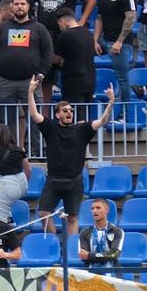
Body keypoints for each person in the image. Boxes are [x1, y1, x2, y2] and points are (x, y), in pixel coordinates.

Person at [30, 79, 115, 231]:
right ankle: (54, 242)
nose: (69, 112)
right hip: (54, 180)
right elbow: (35, 115)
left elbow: (102, 121)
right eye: (65, 110)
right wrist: (30, 92)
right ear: (57, 115)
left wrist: (111, 103)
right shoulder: (51, 128)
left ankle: (71, 249)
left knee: (73, 217)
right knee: (43, 213)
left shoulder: (81, 129)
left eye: (71, 110)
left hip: (74, 181)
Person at [79, 197, 122, 267]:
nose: (94, 211)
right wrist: (106, 255)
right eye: (92, 208)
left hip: (111, 274)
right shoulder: (85, 232)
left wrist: (90, 255)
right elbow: (83, 257)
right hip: (91, 274)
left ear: (106, 210)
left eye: (98, 208)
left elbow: (114, 254)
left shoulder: (116, 231)